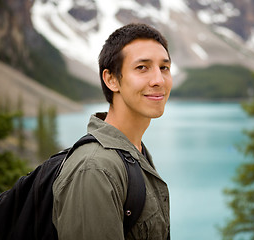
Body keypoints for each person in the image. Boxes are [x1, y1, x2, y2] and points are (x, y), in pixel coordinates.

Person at [52, 23, 172, 240]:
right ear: (111, 80)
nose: (159, 80)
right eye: (142, 68)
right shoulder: (95, 168)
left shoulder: (134, 152)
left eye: (164, 68)